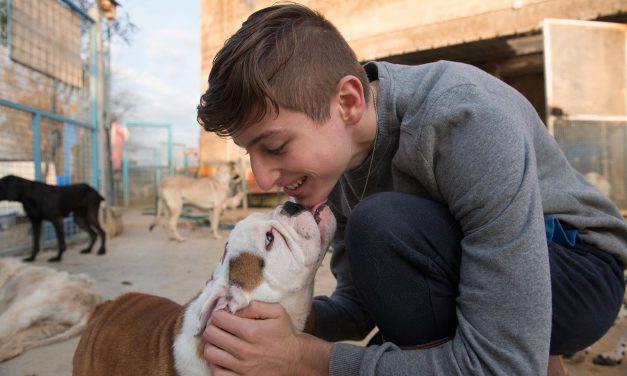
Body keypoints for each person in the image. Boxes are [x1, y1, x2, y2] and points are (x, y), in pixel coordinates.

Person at [196, 3, 627, 375]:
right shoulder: (337, 166)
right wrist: (280, 327)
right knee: (382, 242)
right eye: (249, 153)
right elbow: (360, 302)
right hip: (470, 273)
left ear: (347, 102)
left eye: (274, 146)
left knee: (381, 225)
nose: (265, 176)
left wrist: (309, 360)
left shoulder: (465, 120)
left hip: (574, 269)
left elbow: (504, 366)